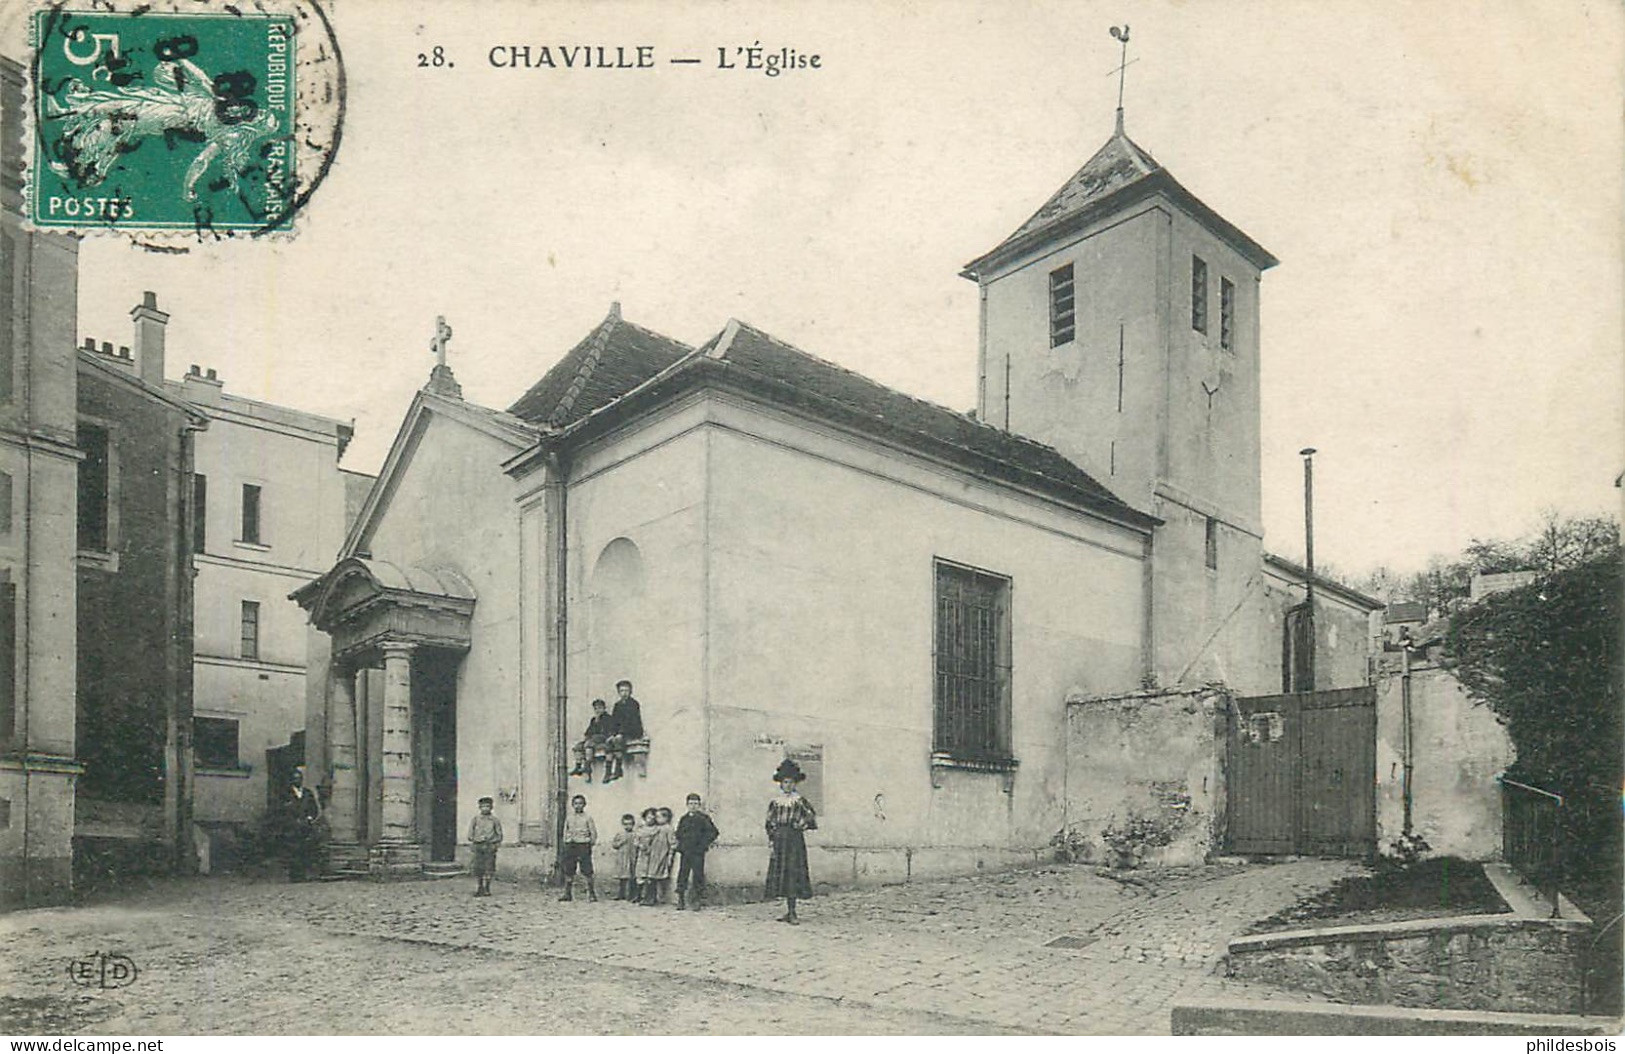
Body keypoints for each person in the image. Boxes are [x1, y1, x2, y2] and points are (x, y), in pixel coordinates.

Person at [764, 758, 817, 924]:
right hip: (780, 840)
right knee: (782, 874)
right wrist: (772, 840)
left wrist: (800, 824)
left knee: (793, 872)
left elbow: (811, 816)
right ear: (781, 784)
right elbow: (769, 822)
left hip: (794, 841)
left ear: (795, 784)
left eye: (791, 783)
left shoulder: (799, 801)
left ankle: (793, 911)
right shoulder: (775, 802)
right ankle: (787, 911)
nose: (788, 785)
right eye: (785, 782)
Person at [674, 793, 720, 911]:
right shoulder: (684, 819)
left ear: (699, 805)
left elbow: (713, 832)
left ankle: (697, 900)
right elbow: (678, 833)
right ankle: (681, 899)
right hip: (686, 852)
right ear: (687, 805)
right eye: (691, 804)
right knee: (683, 874)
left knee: (698, 875)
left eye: (695, 804)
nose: (693, 806)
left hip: (697, 852)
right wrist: (682, 844)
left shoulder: (704, 818)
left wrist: (702, 845)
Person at [280, 767, 323, 883]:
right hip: (292, 827)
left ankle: (303, 874)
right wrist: (291, 821)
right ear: (291, 781)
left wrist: (309, 818)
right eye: (295, 779)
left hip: (305, 826)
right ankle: (294, 875)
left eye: (299, 779)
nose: (297, 781)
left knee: (304, 850)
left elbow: (314, 809)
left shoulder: (308, 793)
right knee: (293, 851)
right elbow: (282, 810)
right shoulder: (286, 793)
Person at [559, 793, 598, 902]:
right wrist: (566, 841)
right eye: (576, 804)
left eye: (580, 803)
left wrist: (590, 843)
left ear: (584, 805)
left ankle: (591, 893)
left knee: (587, 870)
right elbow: (565, 831)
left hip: (583, 845)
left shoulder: (588, 818)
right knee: (569, 869)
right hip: (571, 845)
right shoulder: (569, 818)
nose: (578, 806)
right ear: (572, 805)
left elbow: (593, 832)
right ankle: (567, 893)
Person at [604, 680, 644, 783]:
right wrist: (612, 734)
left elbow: (631, 721)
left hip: (633, 730)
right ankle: (608, 771)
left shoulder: (633, 704)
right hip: (620, 733)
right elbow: (614, 721)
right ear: (618, 692)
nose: (624, 693)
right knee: (609, 742)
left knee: (618, 741)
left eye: (626, 690)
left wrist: (621, 733)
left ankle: (618, 768)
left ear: (630, 691)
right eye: (622, 691)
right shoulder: (617, 705)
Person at [569, 699, 615, 782]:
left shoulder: (608, 718)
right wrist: (586, 737)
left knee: (589, 745)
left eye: (600, 708)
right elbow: (588, 732)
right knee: (578, 746)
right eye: (596, 708)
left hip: (602, 738)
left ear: (604, 708)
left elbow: (610, 731)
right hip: (593, 740)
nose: (598, 710)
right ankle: (578, 766)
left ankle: (587, 769)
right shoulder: (594, 720)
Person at [638, 806, 675, 906]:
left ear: (666, 818)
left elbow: (672, 843)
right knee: (650, 877)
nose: (656, 819)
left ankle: (652, 898)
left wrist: (670, 855)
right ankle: (650, 898)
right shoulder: (657, 828)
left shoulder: (668, 829)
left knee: (654, 877)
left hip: (661, 856)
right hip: (653, 856)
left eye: (659, 817)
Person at [468, 796, 503, 897]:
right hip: (478, 846)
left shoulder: (495, 820)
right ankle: (479, 887)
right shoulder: (475, 819)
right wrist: (477, 839)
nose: (485, 808)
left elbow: (499, 835)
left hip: (489, 847)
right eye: (483, 806)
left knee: (489, 868)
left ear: (491, 807)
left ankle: (487, 888)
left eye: (487, 806)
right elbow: (470, 835)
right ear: (479, 807)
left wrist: (492, 841)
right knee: (478, 868)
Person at [630, 807, 658, 905]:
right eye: (648, 817)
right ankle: (638, 895)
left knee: (650, 876)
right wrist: (640, 845)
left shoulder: (656, 829)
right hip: (642, 855)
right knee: (640, 874)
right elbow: (636, 841)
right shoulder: (641, 830)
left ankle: (650, 897)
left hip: (653, 855)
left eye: (653, 818)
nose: (650, 820)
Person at [610, 813, 637, 901]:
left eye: (630, 824)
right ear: (622, 824)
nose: (627, 826)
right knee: (622, 877)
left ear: (633, 824)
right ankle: (621, 893)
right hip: (622, 858)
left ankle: (632, 895)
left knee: (632, 877)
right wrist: (620, 842)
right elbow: (614, 845)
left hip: (632, 858)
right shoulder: (620, 834)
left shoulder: (635, 834)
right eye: (625, 824)